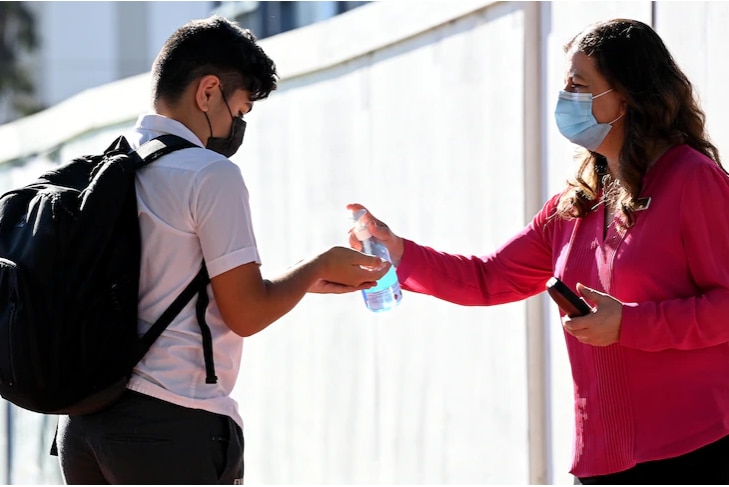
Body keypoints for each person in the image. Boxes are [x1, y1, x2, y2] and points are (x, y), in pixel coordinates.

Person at [349, 18, 729, 485]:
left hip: (693, 447)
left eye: (578, 84)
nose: (565, 96)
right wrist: (398, 249)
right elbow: (489, 278)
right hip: (604, 458)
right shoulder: (576, 203)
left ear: (626, 96)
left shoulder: (692, 178)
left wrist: (630, 325)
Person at [54, 15, 389, 484]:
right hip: (172, 424)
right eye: (241, 111)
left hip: (86, 426)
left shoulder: (109, 163)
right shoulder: (208, 173)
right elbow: (246, 312)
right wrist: (322, 263)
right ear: (208, 91)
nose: (238, 126)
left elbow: (167, 281)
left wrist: (304, 277)